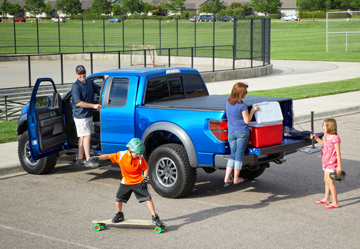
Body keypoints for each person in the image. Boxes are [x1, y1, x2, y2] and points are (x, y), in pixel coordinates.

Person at [88, 138, 164, 226]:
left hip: (138, 181)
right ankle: (119, 214)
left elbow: (146, 168)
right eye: (137, 153)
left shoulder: (140, 157)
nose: (138, 155)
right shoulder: (121, 155)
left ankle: (155, 217)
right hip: (126, 181)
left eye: (140, 153)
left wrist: (145, 179)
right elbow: (108, 156)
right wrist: (97, 157)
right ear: (130, 150)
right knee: (118, 198)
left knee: (148, 198)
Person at [224, 82, 260, 187]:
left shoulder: (228, 102)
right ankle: (236, 178)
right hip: (241, 133)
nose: (246, 94)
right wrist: (253, 110)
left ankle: (226, 178)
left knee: (232, 154)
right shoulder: (242, 105)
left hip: (231, 132)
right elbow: (247, 120)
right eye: (245, 92)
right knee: (239, 155)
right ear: (240, 93)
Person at [71, 65, 101, 168]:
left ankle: (80, 158)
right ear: (76, 74)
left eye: (83, 73)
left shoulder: (89, 83)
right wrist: (93, 105)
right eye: (79, 73)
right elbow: (78, 103)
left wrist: (106, 81)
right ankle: (88, 159)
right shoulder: (76, 86)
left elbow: (100, 90)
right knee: (87, 136)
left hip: (88, 114)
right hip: (80, 116)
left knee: (82, 136)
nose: (82, 75)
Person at [310, 118, 342, 209]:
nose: (323, 127)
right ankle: (326, 198)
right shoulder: (327, 135)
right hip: (326, 162)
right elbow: (324, 144)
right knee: (325, 179)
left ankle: (335, 202)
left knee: (330, 181)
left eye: (325, 125)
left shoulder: (335, 138)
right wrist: (316, 138)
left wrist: (339, 166)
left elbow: (338, 153)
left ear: (330, 126)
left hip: (332, 163)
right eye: (323, 125)